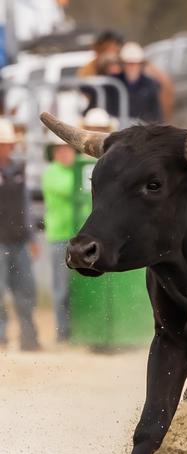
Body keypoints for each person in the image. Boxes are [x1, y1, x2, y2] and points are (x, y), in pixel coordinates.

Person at [0, 119, 39, 352]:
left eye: (6, 144)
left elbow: (26, 205)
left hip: (19, 239)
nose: (5, 148)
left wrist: (32, 237)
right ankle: (1, 337)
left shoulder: (19, 169)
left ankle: (29, 338)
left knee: (26, 290)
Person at [40, 132, 80, 344]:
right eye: (60, 150)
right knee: (62, 289)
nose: (64, 153)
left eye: (67, 149)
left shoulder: (78, 171)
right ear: (55, 153)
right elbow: (72, 190)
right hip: (60, 238)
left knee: (78, 289)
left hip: (79, 237)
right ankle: (63, 333)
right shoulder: (51, 173)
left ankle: (78, 331)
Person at [116, 42, 163, 122]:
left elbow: (156, 114)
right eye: (128, 63)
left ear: (141, 64)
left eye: (135, 63)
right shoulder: (114, 83)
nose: (132, 67)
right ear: (122, 64)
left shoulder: (150, 84)